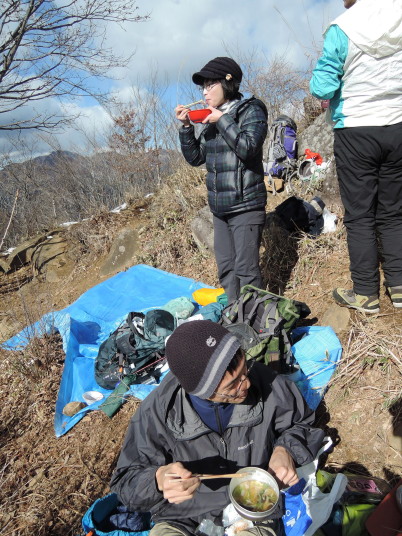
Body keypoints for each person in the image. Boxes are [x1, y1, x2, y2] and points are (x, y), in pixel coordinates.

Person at [110, 320, 325, 536]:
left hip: (255, 506)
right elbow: (126, 481)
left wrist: (285, 449)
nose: (247, 383)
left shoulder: (265, 382)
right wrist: (157, 480)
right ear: (201, 391)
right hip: (183, 517)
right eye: (232, 385)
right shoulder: (157, 411)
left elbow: (302, 423)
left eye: (245, 369)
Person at [310, 0, 402, 313]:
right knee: (393, 211)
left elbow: (322, 86)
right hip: (398, 126)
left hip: (356, 130)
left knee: (361, 215)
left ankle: (365, 293)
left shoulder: (342, 28)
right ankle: (399, 285)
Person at [175, 57, 268, 304]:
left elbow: (249, 147)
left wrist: (221, 120)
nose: (204, 92)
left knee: (246, 270)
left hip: (246, 205)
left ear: (228, 82)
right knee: (227, 269)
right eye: (202, 87)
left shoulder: (251, 109)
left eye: (210, 85)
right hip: (220, 208)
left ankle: (256, 324)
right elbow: (196, 158)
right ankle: (234, 316)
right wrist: (186, 127)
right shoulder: (211, 119)